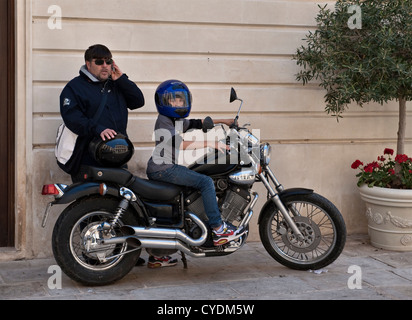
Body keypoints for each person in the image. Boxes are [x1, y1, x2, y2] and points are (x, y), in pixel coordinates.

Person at [146, 80, 245, 263]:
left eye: (180, 100)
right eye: (173, 101)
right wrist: (213, 143)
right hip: (163, 169)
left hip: (164, 167)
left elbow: (197, 123)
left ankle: (158, 257)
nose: (178, 104)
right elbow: (180, 144)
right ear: (164, 102)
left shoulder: (175, 120)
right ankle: (218, 229)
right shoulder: (164, 121)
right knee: (205, 181)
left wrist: (224, 120)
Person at [59, 44, 145, 182]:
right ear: (88, 64)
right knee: (91, 201)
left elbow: (138, 102)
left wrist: (122, 79)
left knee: (118, 200)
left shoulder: (118, 83)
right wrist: (98, 129)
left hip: (118, 155)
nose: (105, 65)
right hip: (88, 159)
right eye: (99, 62)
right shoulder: (74, 87)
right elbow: (72, 118)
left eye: (108, 61)